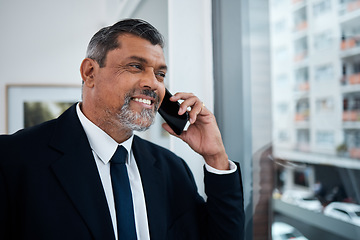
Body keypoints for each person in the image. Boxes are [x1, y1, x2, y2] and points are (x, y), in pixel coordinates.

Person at [0, 19, 244, 240]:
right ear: (90, 73)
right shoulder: (12, 158)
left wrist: (215, 156)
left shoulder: (172, 168)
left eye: (160, 74)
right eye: (136, 66)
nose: (153, 84)